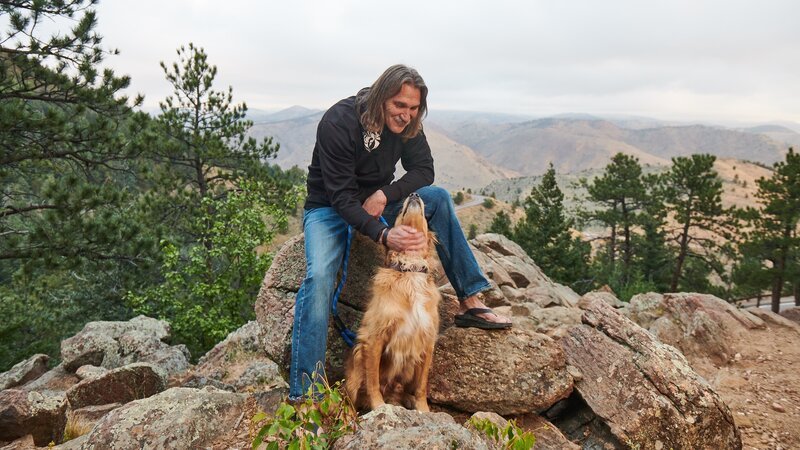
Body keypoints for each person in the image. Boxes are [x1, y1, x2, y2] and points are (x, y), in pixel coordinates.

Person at [289, 64, 512, 401]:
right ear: (381, 98)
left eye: (414, 108)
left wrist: (385, 194)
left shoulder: (408, 124)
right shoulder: (339, 121)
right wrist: (383, 235)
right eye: (399, 106)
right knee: (319, 276)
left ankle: (470, 300)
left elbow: (424, 169)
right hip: (329, 208)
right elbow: (341, 197)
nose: (406, 115)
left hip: (379, 201)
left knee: (438, 198)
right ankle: (307, 396)